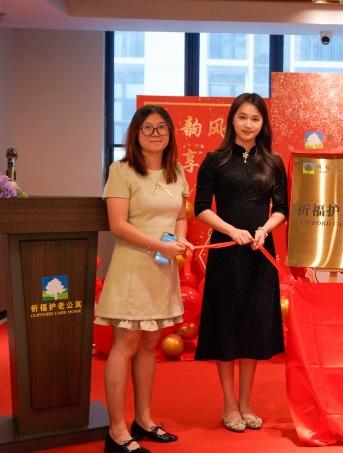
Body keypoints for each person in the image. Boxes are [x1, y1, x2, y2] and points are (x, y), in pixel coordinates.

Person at [96, 105, 191, 453]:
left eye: (161, 127)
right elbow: (117, 224)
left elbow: (180, 216)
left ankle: (144, 420)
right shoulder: (121, 170)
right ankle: (117, 430)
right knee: (126, 344)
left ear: (170, 134)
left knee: (151, 344)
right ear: (135, 134)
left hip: (162, 269)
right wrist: (159, 246)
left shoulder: (175, 171)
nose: (155, 133)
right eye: (147, 127)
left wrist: (179, 241)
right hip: (133, 268)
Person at [194, 93, 288, 433]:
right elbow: (201, 207)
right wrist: (231, 230)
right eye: (243, 117)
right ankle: (229, 404)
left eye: (255, 119)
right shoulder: (215, 160)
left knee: (253, 328)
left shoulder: (273, 163)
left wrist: (264, 229)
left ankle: (247, 403)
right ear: (232, 119)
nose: (249, 124)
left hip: (259, 253)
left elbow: (282, 208)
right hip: (226, 252)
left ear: (263, 124)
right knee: (226, 327)